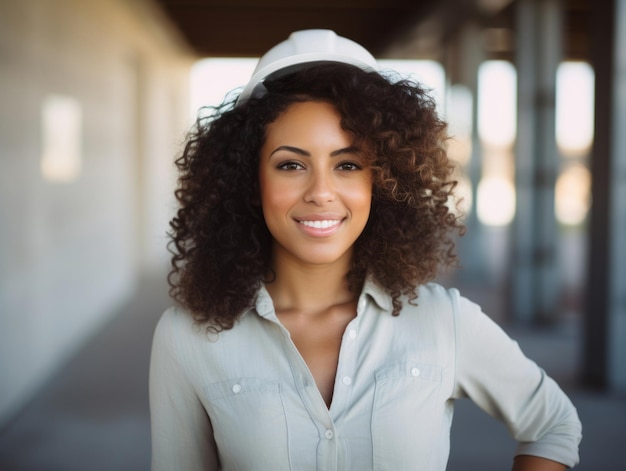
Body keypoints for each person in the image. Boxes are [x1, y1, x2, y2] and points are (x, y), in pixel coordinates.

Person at [149, 29, 582, 471]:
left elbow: (553, 425)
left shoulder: (442, 322)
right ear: (251, 183)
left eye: (348, 165)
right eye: (291, 165)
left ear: (382, 181)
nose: (321, 192)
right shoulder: (187, 338)